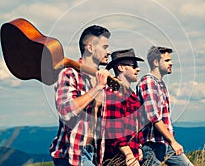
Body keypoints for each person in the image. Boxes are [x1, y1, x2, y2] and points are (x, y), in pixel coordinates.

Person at [49, 25, 112, 166]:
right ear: (90, 48)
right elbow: (65, 111)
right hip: (72, 153)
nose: (109, 52)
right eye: (105, 47)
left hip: (94, 153)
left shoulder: (100, 79)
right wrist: (97, 88)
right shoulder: (69, 74)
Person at [136, 46, 193, 166]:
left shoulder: (160, 84)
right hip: (151, 145)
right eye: (167, 60)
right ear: (156, 62)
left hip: (164, 143)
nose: (171, 63)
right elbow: (154, 117)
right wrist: (173, 141)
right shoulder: (149, 82)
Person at [102, 48, 144, 166]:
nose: (138, 69)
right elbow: (114, 129)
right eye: (134, 65)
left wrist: (139, 147)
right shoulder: (113, 93)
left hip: (130, 158)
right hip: (118, 159)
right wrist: (129, 155)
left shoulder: (132, 95)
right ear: (120, 67)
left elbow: (137, 126)